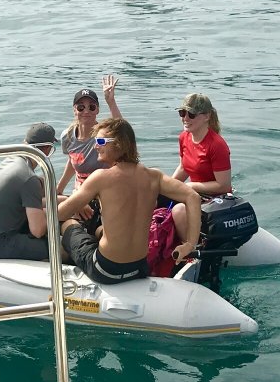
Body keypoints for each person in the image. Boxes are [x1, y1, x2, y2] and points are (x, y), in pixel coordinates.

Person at [57, 118, 201, 284]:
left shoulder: (100, 178)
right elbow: (193, 197)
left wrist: (67, 199)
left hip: (106, 270)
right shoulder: (154, 176)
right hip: (139, 268)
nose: (95, 146)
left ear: (119, 144)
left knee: (68, 224)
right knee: (99, 231)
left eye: (101, 141)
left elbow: (61, 213)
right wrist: (190, 244)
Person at [0, 122, 58, 261]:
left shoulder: (10, 161)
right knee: (59, 246)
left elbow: (28, 201)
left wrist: (64, 200)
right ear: (47, 149)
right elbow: (38, 230)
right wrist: (64, 210)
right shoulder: (29, 178)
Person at [57, 74, 123, 195]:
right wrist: (59, 189)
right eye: (81, 107)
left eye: (91, 107)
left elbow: (123, 131)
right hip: (80, 191)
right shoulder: (67, 136)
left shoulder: (103, 134)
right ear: (74, 110)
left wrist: (111, 102)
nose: (86, 111)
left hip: (105, 189)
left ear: (97, 110)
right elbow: (73, 160)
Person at [173, 93, 232, 196]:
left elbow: (224, 186)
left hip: (216, 198)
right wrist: (168, 186)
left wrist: (191, 186)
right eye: (182, 113)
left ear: (206, 116)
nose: (185, 118)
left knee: (179, 210)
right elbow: (183, 168)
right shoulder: (183, 137)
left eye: (191, 114)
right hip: (194, 194)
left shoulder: (217, 145)